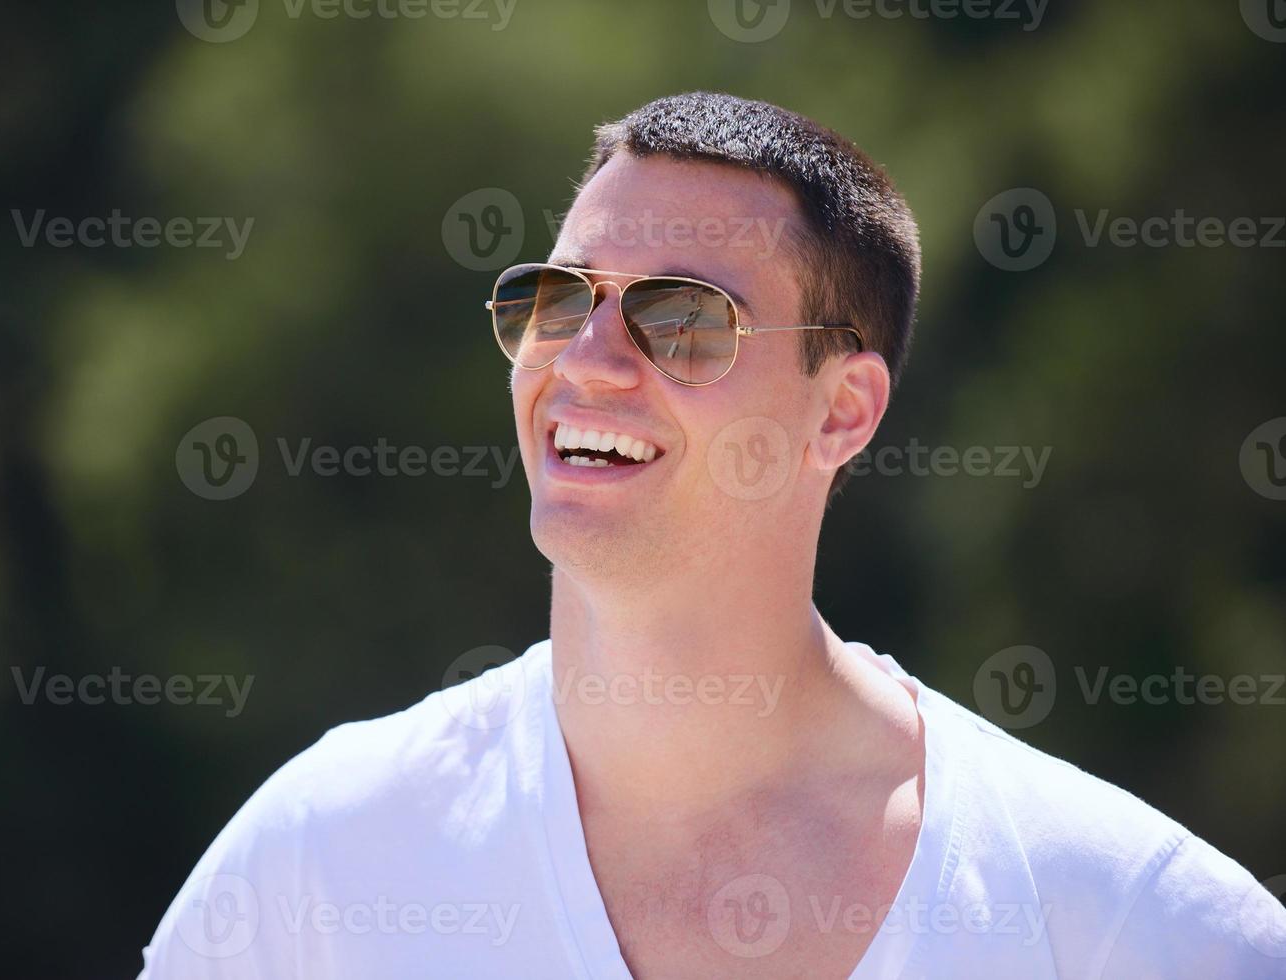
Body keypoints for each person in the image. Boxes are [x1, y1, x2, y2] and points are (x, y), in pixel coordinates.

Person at [138, 91, 1286, 978]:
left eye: (679, 316)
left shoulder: (1129, 922)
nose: (583, 360)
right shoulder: (319, 863)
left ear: (841, 409)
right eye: (559, 297)